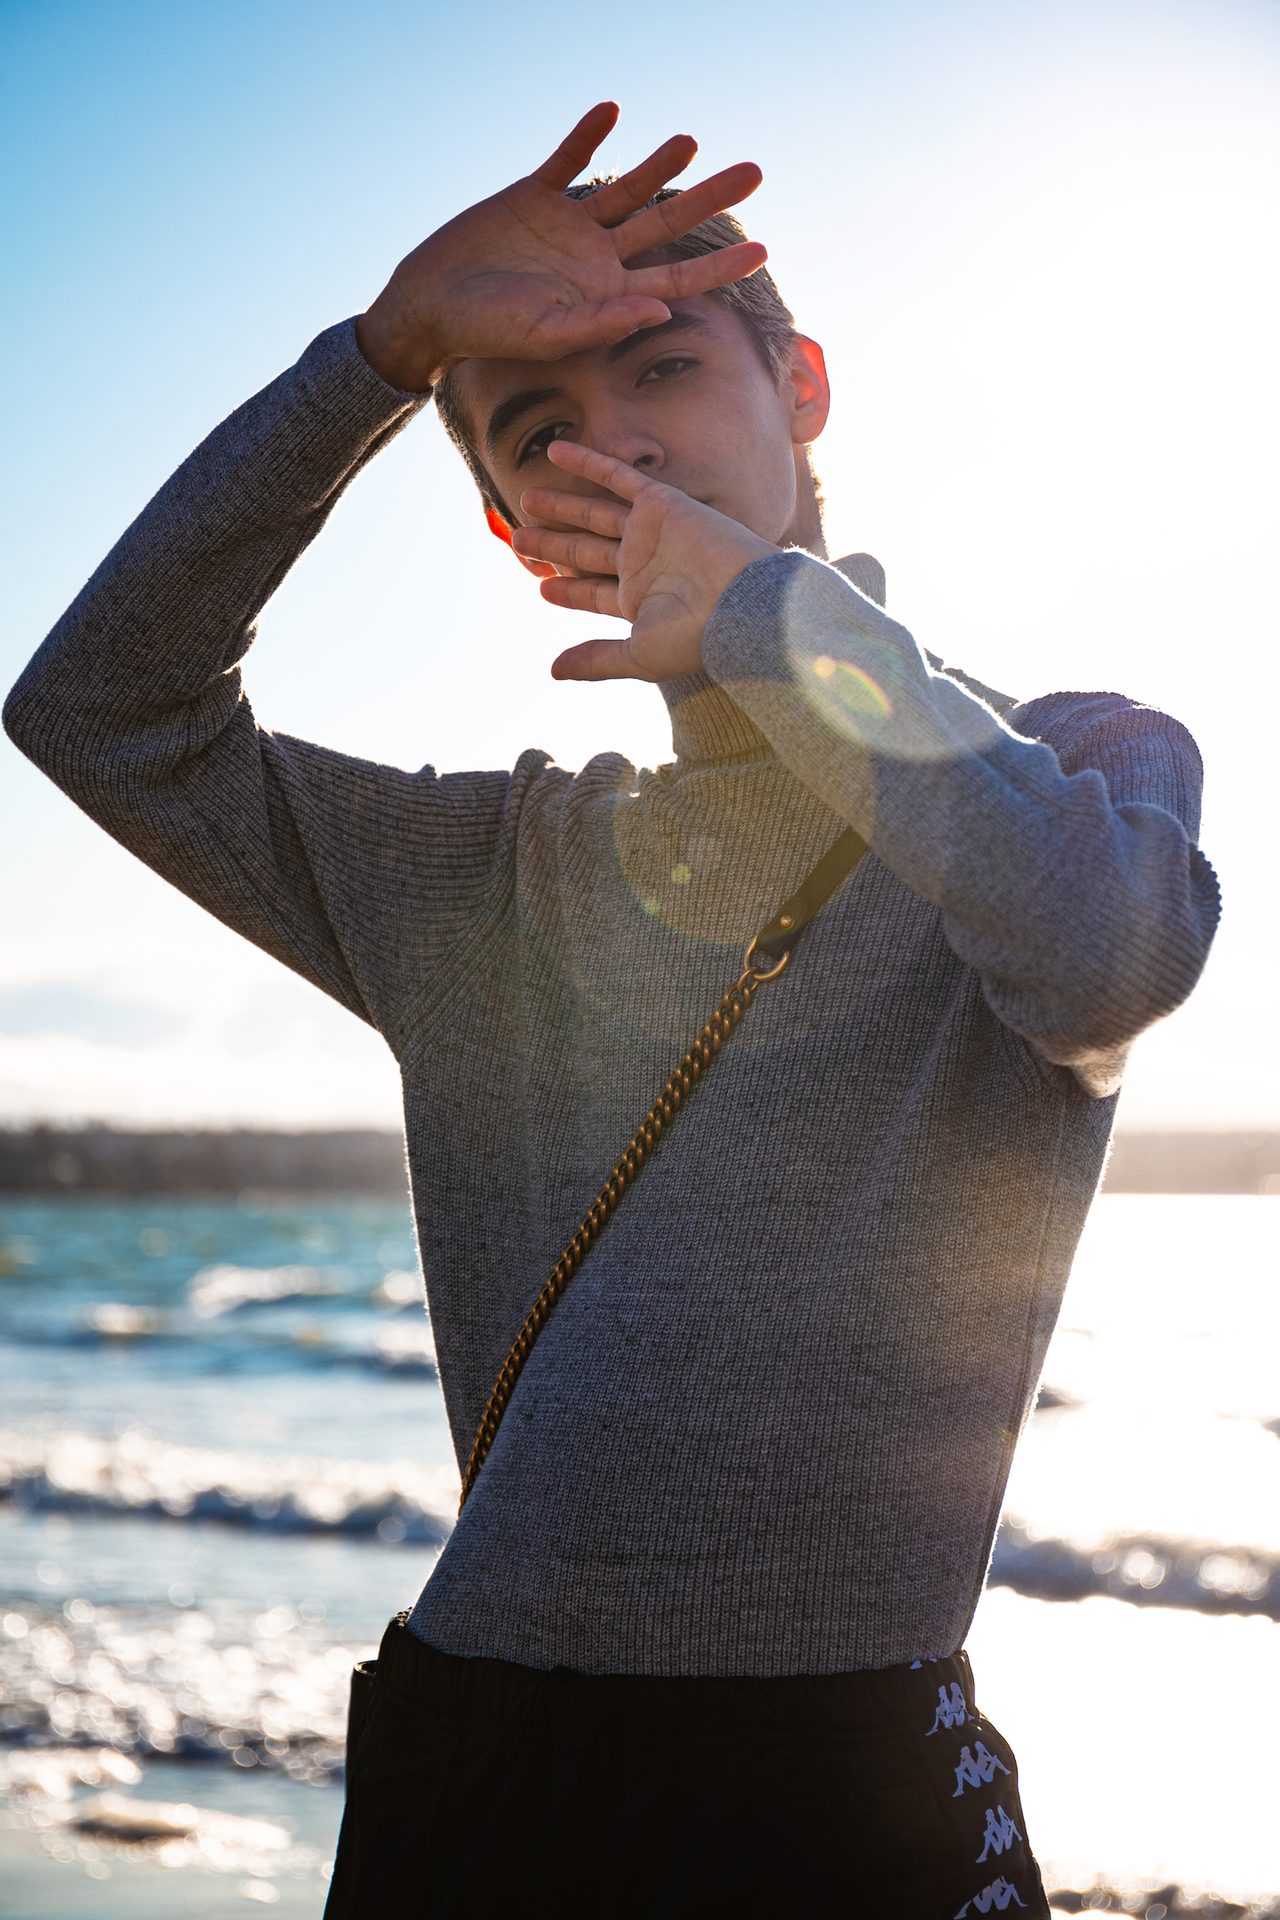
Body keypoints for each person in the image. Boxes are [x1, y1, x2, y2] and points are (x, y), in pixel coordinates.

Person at [3, 101, 1221, 1917]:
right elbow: (98, 706)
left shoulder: (1073, 766)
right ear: (516, 533)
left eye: (663, 369)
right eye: (540, 432)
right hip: (488, 1760)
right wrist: (374, 356)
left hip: (853, 1777)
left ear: (802, 387)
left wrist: (777, 626)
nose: (615, 442)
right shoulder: (487, 875)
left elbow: (1105, 958)